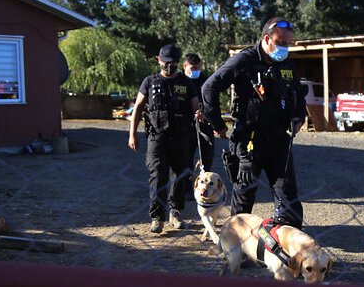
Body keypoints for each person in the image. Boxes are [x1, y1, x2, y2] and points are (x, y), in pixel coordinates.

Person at [201, 17, 307, 228]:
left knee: (288, 196)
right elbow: (209, 88)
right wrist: (218, 125)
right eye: (281, 43)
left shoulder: (286, 64)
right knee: (244, 195)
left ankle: (289, 247)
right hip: (249, 140)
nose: (285, 48)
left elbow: (297, 94)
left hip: (279, 140)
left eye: (288, 44)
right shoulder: (245, 60)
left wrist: (299, 117)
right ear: (267, 39)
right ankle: (235, 246)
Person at [128, 44, 202, 233]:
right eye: (166, 62)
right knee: (158, 174)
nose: (169, 66)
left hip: (180, 137)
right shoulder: (150, 81)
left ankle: (175, 212)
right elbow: (137, 108)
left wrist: (199, 113)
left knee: (180, 175)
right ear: (158, 60)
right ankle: (157, 217)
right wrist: (132, 133)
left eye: (174, 63)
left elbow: (195, 105)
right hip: (157, 137)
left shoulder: (186, 83)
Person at [184, 53, 215, 173]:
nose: (196, 71)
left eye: (198, 68)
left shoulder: (205, 80)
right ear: (185, 66)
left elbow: (211, 100)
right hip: (186, 124)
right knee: (185, 158)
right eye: (193, 68)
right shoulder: (179, 80)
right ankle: (186, 186)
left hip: (204, 122)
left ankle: (205, 182)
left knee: (207, 156)